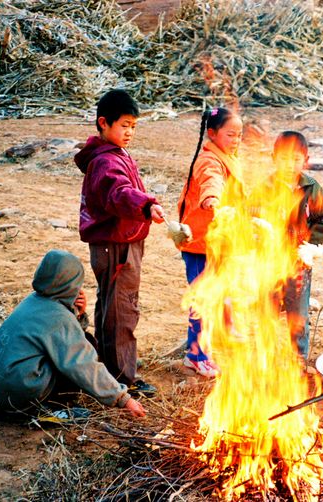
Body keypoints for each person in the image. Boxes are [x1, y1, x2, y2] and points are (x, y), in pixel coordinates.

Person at [76, 89, 164, 395]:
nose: (130, 132)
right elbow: (118, 193)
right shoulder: (105, 162)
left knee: (111, 305)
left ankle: (108, 368)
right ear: (104, 123)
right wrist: (146, 206)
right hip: (116, 245)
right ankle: (122, 379)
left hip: (118, 242)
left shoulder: (114, 154)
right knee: (122, 309)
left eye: (134, 126)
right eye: (124, 125)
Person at [0, 250, 146, 419]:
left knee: (82, 342)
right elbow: (82, 363)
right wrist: (123, 399)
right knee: (84, 351)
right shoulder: (58, 316)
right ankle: (46, 409)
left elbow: (64, 337)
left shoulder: (33, 300)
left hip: (6, 389)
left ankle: (17, 406)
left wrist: (78, 313)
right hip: (25, 390)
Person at [176, 107, 244, 377]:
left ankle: (222, 334)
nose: (236, 140)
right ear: (213, 134)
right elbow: (211, 181)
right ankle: (196, 355)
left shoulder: (228, 157)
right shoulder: (208, 160)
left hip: (219, 242)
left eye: (239, 135)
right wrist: (212, 199)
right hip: (200, 244)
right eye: (230, 134)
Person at [271, 131, 323, 359]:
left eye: (295, 159)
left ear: (305, 160)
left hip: (299, 263)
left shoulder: (311, 188)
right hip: (268, 263)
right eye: (284, 158)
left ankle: (298, 358)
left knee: (298, 313)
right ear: (273, 158)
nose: (289, 165)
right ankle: (265, 358)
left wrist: (311, 245)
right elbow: (251, 217)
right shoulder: (265, 188)